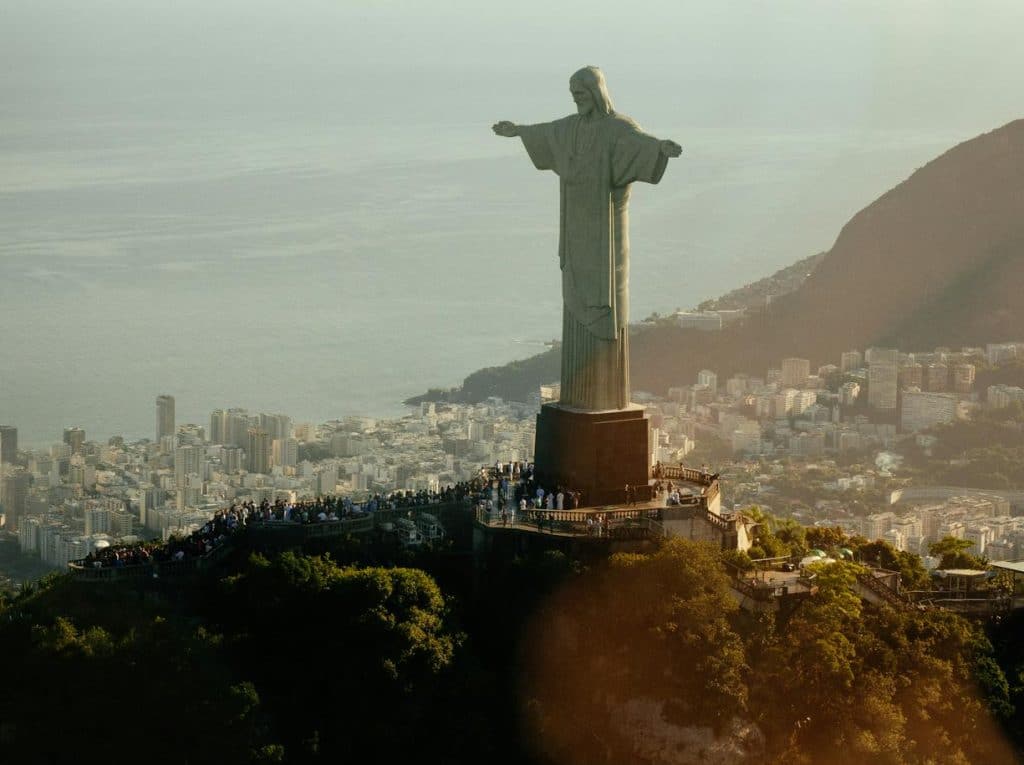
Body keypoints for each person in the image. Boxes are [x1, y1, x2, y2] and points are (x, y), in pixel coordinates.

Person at [493, 66, 681, 410]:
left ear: (596, 92)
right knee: (576, 296)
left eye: (580, 93)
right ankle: (578, 396)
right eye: (573, 95)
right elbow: (546, 133)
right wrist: (517, 131)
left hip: (606, 237)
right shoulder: (570, 128)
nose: (576, 100)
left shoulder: (618, 129)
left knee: (607, 303)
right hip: (577, 232)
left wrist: (662, 149)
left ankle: (606, 397)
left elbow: (642, 145)